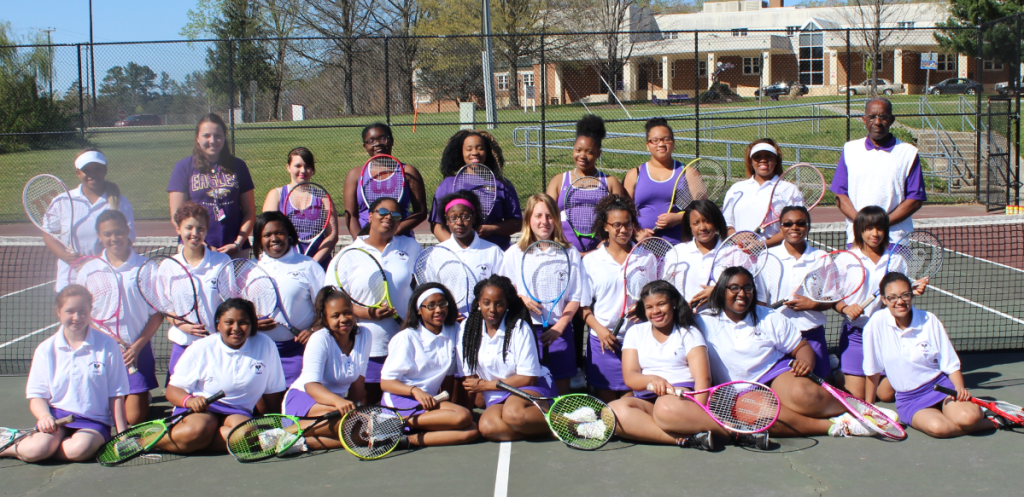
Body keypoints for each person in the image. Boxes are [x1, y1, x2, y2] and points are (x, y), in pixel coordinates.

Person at [696, 267, 881, 439]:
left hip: (772, 375)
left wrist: (805, 361)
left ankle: (860, 409)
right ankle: (838, 425)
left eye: (747, 288)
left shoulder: (769, 316)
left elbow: (801, 347)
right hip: (737, 392)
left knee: (803, 393)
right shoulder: (702, 321)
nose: (742, 294)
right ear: (721, 291)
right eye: (734, 288)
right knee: (762, 417)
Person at [3, 285, 129, 462]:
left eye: (82, 311)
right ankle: (9, 443)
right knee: (35, 450)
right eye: (70, 311)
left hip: (94, 422)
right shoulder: (46, 349)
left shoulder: (108, 346)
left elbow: (116, 395)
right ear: (58, 312)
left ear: (90, 311)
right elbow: (37, 396)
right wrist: (45, 416)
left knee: (79, 449)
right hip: (57, 418)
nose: (76, 317)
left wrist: (122, 436)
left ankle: (46, 448)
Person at [863, 272, 995, 438]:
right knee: (938, 428)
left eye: (905, 295)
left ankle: (978, 416)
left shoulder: (929, 320)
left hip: (941, 386)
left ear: (911, 294)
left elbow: (950, 362)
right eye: (893, 297)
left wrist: (960, 388)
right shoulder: (876, 323)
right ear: (884, 299)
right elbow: (872, 368)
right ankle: (991, 421)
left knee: (968, 418)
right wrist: (869, 406)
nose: (900, 301)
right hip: (909, 399)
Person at [155, 299, 286, 454]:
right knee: (197, 430)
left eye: (243, 322)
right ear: (218, 324)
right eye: (229, 322)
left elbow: (272, 390)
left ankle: (192, 442)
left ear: (252, 325)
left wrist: (281, 424)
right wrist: (189, 400)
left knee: (246, 435)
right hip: (203, 409)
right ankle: (144, 442)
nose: (236, 328)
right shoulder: (200, 348)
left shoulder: (266, 344)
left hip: (238, 411)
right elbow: (173, 390)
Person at [326, 197, 422, 405]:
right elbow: (332, 303)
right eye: (383, 213)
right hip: (365, 346)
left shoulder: (411, 247)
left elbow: (423, 288)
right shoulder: (348, 255)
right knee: (368, 405)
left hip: (403, 342)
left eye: (396, 216)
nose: (389, 218)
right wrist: (368, 313)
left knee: (398, 404)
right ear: (370, 216)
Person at [608, 281, 719, 450]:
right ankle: (689, 440)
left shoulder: (689, 333)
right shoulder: (635, 332)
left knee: (665, 407)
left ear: (673, 303)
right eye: (649, 307)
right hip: (648, 401)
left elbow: (703, 378)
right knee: (612, 411)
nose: (656, 311)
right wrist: (652, 380)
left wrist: (697, 412)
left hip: (680, 401)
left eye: (661, 304)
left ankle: (731, 434)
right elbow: (630, 376)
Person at [834, 206, 926, 400]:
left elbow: (899, 298)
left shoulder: (897, 260)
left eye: (880, 228)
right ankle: (836, 369)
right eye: (869, 228)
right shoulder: (844, 259)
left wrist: (911, 293)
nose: (875, 234)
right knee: (857, 395)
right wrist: (845, 307)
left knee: (884, 395)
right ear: (859, 230)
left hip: (886, 335)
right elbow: (832, 297)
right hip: (855, 334)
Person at [500, 194, 584, 396]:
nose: (544, 222)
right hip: (524, 333)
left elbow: (576, 295)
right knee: (530, 394)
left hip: (559, 333)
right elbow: (503, 291)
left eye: (549, 216)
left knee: (561, 396)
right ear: (529, 219)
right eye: (538, 216)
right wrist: (522, 299)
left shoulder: (570, 253)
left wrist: (559, 327)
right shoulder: (514, 253)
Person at [380, 284, 479, 448]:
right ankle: (394, 422)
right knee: (462, 416)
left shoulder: (453, 330)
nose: (438, 310)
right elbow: (386, 383)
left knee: (472, 430)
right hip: (401, 399)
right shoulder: (406, 338)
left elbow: (448, 375)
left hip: (428, 401)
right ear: (419, 310)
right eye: (431, 306)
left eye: (442, 304)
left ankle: (402, 440)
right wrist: (415, 391)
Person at [458, 275, 554, 441]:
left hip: (529, 388)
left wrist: (486, 385)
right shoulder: (467, 328)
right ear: (479, 303)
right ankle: (544, 428)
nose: (492, 309)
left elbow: (528, 378)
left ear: (507, 304)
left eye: (499, 303)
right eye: (486, 302)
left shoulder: (519, 328)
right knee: (488, 427)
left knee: (513, 414)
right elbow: (472, 380)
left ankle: (565, 422)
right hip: (496, 396)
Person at [96, 210, 163, 425]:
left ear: (127, 231)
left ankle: (142, 395)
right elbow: (86, 317)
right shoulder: (90, 270)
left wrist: (136, 347)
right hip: (103, 353)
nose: (113, 239)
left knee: (132, 420)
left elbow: (157, 313)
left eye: (118, 232)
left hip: (137, 353)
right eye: (107, 234)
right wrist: (108, 339)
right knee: (103, 417)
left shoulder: (146, 267)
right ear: (99, 236)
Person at [281, 287, 370, 450]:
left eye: (347, 313)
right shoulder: (319, 339)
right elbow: (311, 385)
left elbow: (358, 382)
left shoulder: (365, 335)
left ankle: (298, 443)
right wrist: (338, 401)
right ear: (325, 319)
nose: (343, 319)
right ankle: (284, 432)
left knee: (361, 434)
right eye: (335, 316)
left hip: (338, 405)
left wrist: (356, 407)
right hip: (303, 399)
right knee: (353, 425)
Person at [830, 98, 926, 245]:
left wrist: (882, 224)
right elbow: (840, 195)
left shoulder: (908, 153)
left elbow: (915, 200)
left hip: (895, 241)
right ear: (864, 119)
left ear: (892, 120)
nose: (878, 122)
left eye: (884, 117)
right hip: (858, 239)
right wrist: (862, 223)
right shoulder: (850, 149)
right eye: (872, 117)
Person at [754, 206, 832, 380]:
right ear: (781, 228)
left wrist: (813, 304)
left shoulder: (821, 258)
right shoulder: (767, 257)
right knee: (785, 386)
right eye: (788, 224)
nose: (794, 228)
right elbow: (760, 302)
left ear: (808, 227)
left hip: (812, 334)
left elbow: (831, 298)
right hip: (776, 336)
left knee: (821, 385)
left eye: (800, 223)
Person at [253, 212, 326, 388]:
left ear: (289, 236)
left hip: (299, 351)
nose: (274, 238)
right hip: (260, 351)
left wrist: (313, 329)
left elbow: (326, 310)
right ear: (259, 240)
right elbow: (239, 312)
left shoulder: (309, 267)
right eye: (267, 235)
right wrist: (252, 323)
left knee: (294, 406)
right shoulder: (250, 271)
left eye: (279, 233)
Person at [168, 113, 256, 258]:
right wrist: (203, 245)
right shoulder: (184, 167)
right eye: (206, 135)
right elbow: (176, 215)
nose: (213, 140)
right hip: (196, 248)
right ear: (197, 138)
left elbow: (249, 212)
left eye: (218, 135)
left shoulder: (238, 166)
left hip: (234, 249)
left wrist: (238, 243)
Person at [47, 148, 136, 292]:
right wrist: (65, 256)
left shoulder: (121, 202)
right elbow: (48, 234)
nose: (92, 174)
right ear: (78, 173)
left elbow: (128, 238)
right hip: (69, 280)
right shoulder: (63, 201)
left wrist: (98, 261)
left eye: (97, 169)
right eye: (86, 170)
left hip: (105, 278)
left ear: (105, 170)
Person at [580, 194, 641, 402]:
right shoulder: (592, 261)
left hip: (636, 343)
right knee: (608, 409)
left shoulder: (646, 258)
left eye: (627, 224)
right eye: (616, 225)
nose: (623, 230)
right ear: (605, 226)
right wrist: (600, 331)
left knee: (630, 404)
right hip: (603, 343)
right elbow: (584, 308)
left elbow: (655, 299)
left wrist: (643, 308)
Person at [166, 202, 230, 379]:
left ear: (206, 230)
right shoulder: (168, 266)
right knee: (182, 398)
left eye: (200, 228)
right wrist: (184, 326)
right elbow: (167, 309)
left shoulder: (222, 261)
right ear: (178, 229)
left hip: (215, 345)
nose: (195, 233)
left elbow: (230, 303)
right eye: (189, 227)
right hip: (182, 344)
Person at [545, 114, 625, 253]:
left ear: (598, 154)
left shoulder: (610, 182)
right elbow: (547, 216)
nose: (582, 155)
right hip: (563, 252)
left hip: (601, 254)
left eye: (589, 152)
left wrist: (606, 243)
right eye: (578, 150)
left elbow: (622, 218)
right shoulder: (558, 181)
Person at [430, 130, 522, 250]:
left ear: (487, 152)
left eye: (480, 148)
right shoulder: (447, 185)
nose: (474, 153)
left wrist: (490, 229)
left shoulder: (501, 184)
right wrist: (457, 250)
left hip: (496, 251)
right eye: (469, 149)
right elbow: (437, 226)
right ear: (461, 152)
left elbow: (516, 223)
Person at [342, 123, 427, 238]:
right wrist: (361, 241)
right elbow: (351, 215)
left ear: (392, 141)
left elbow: (421, 212)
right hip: (366, 241)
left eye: (383, 138)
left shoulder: (408, 172)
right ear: (365, 146)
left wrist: (395, 231)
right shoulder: (355, 174)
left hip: (400, 240)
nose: (377, 144)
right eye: (371, 141)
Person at [624, 118, 699, 245]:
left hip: (681, 247)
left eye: (666, 139)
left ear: (673, 143)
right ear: (647, 145)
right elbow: (622, 212)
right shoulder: (634, 174)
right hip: (643, 249)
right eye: (655, 140)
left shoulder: (688, 172)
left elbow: (705, 211)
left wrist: (680, 218)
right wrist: (636, 232)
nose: (661, 144)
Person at [262, 147, 339, 268]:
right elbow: (267, 232)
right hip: (285, 264)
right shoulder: (276, 195)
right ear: (288, 167)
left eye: (308, 166)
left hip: (318, 265)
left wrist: (313, 263)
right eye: (297, 166)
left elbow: (332, 235)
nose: (303, 170)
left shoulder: (323, 197)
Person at [435, 190, 505, 316]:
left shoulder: (493, 251)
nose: (459, 223)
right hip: (448, 322)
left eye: (465, 216)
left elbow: (502, 290)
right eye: (453, 217)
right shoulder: (437, 253)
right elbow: (431, 291)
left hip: (484, 324)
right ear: (446, 220)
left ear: (474, 217)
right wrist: (447, 313)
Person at [720, 139, 790, 247]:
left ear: (776, 160)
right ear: (751, 161)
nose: (763, 160)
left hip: (774, 258)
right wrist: (738, 239)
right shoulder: (736, 189)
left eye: (768, 155)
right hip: (739, 256)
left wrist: (762, 245)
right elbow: (726, 223)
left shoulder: (789, 189)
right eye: (757, 156)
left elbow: (793, 227)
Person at [663, 199, 729, 308]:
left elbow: (746, 288)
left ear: (716, 222)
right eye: (696, 223)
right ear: (689, 225)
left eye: (707, 221)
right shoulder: (676, 252)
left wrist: (719, 291)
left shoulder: (733, 253)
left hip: (721, 320)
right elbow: (665, 288)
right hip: (685, 320)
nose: (702, 228)